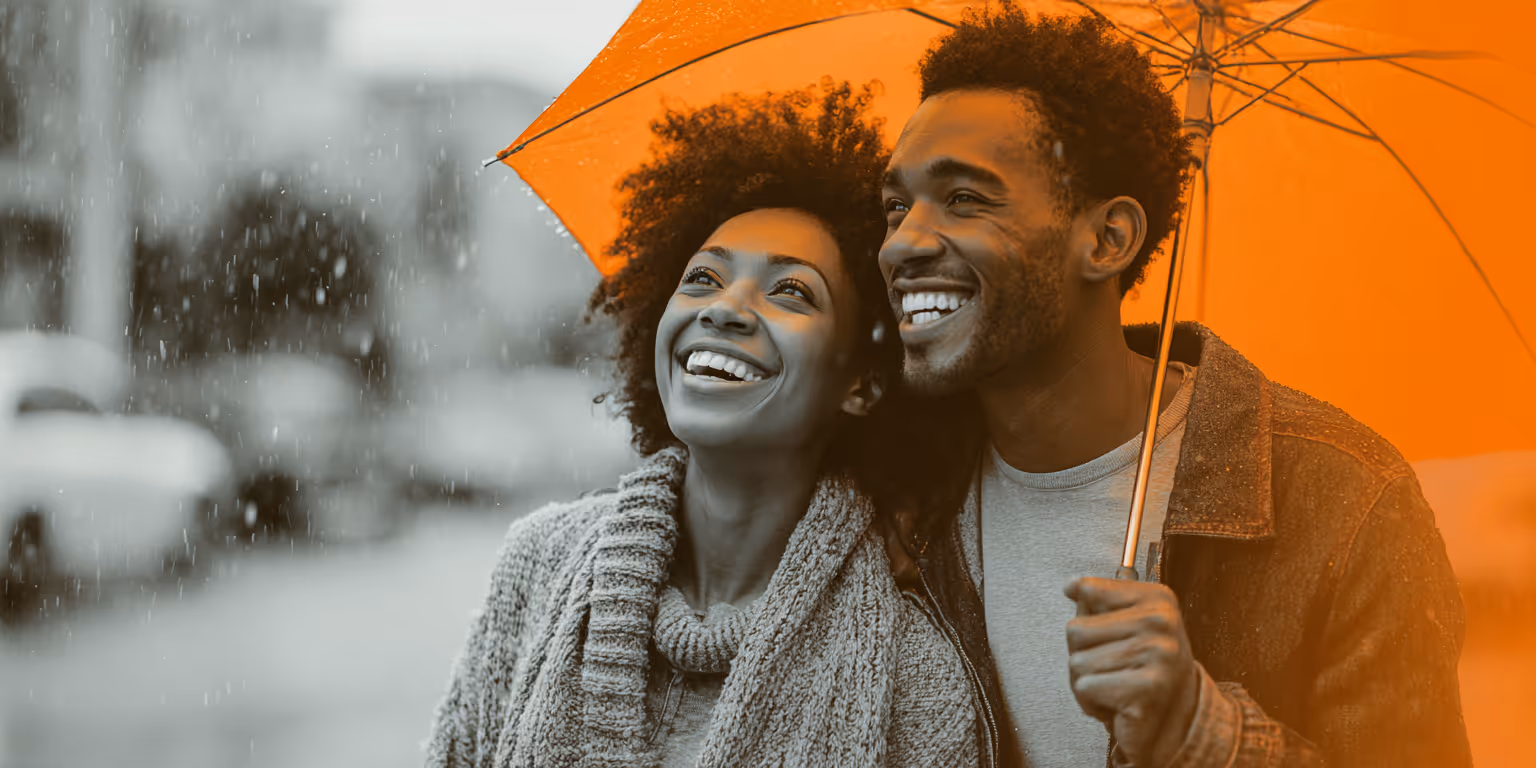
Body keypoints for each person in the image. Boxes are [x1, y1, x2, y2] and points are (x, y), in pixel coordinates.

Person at [875, 5, 1472, 768]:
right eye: (896, 206)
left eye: (965, 199)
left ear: (1107, 239)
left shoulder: (1346, 500)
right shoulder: (899, 494)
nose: (903, 244)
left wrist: (1203, 735)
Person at [424, 83, 978, 768]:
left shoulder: (917, 679)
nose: (726, 308)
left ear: (861, 384)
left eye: (791, 291)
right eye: (702, 279)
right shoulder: (537, 567)